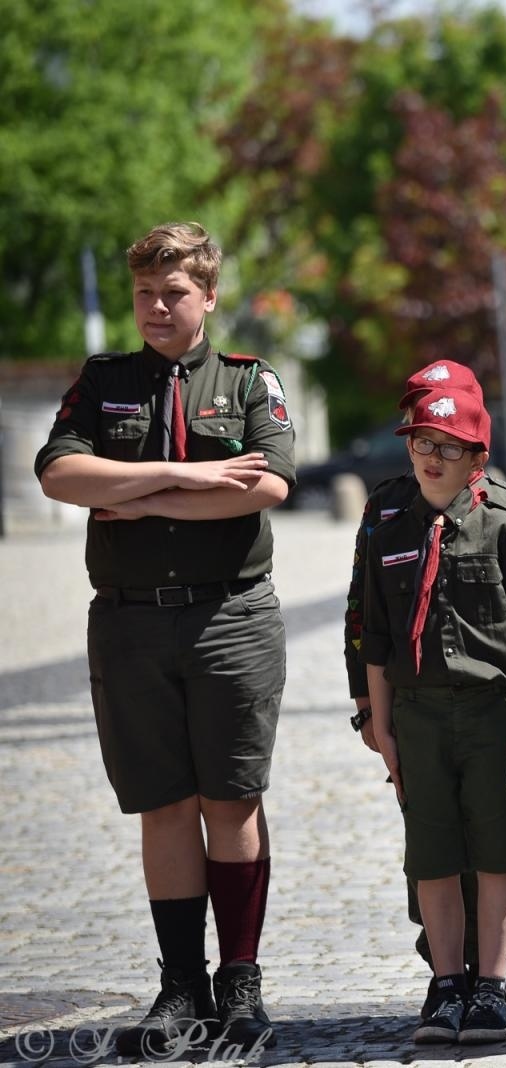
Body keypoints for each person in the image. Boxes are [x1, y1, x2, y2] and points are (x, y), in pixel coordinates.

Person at [35, 222, 295, 1054]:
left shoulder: (249, 381)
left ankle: (241, 980)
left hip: (231, 617)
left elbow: (269, 485)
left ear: (209, 296)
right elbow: (59, 472)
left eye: (173, 292)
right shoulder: (105, 380)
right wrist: (183, 477)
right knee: (164, 806)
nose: (155, 306)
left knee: (233, 799)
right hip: (131, 620)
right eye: (144, 292)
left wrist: (134, 497)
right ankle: (181, 985)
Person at [362, 389, 506, 1045]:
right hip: (415, 714)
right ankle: (446, 987)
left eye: (448, 447)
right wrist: (381, 726)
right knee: (433, 853)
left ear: (476, 456)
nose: (432, 458)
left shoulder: (501, 520)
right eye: (421, 443)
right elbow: (377, 639)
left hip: (491, 709)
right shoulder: (388, 526)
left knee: (499, 849)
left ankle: (492, 986)